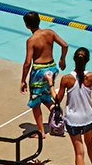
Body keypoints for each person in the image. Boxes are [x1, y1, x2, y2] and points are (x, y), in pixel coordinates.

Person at [54, 47, 92, 165]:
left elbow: (58, 99)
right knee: (90, 142)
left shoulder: (66, 79)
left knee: (79, 152)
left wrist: (51, 84)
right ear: (87, 60)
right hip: (87, 117)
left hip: (73, 120)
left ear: (74, 60)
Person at [19, 11, 69, 147]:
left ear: (27, 25)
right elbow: (65, 45)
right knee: (46, 96)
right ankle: (56, 114)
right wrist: (62, 60)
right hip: (52, 68)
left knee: (35, 102)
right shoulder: (49, 33)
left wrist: (23, 80)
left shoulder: (31, 40)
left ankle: (41, 132)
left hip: (39, 71)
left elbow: (28, 62)